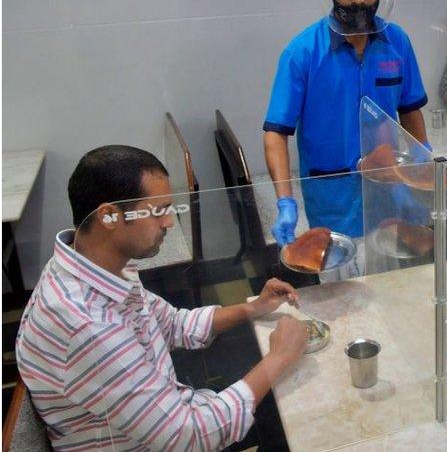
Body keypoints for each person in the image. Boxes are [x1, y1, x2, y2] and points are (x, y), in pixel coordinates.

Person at [15, 145, 308, 451]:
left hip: (165, 415)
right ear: (109, 216)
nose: (169, 222)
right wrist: (280, 357)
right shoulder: (86, 324)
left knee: (278, 402)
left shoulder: (94, 263)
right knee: (288, 409)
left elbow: (171, 324)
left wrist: (254, 308)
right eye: (158, 212)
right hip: (166, 438)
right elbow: (191, 437)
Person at [263, 0, 429, 244]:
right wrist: (285, 201)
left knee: (393, 276)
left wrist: (421, 165)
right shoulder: (303, 52)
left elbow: (410, 109)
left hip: (388, 185)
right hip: (332, 193)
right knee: (343, 284)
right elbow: (276, 132)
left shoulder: (398, 42)